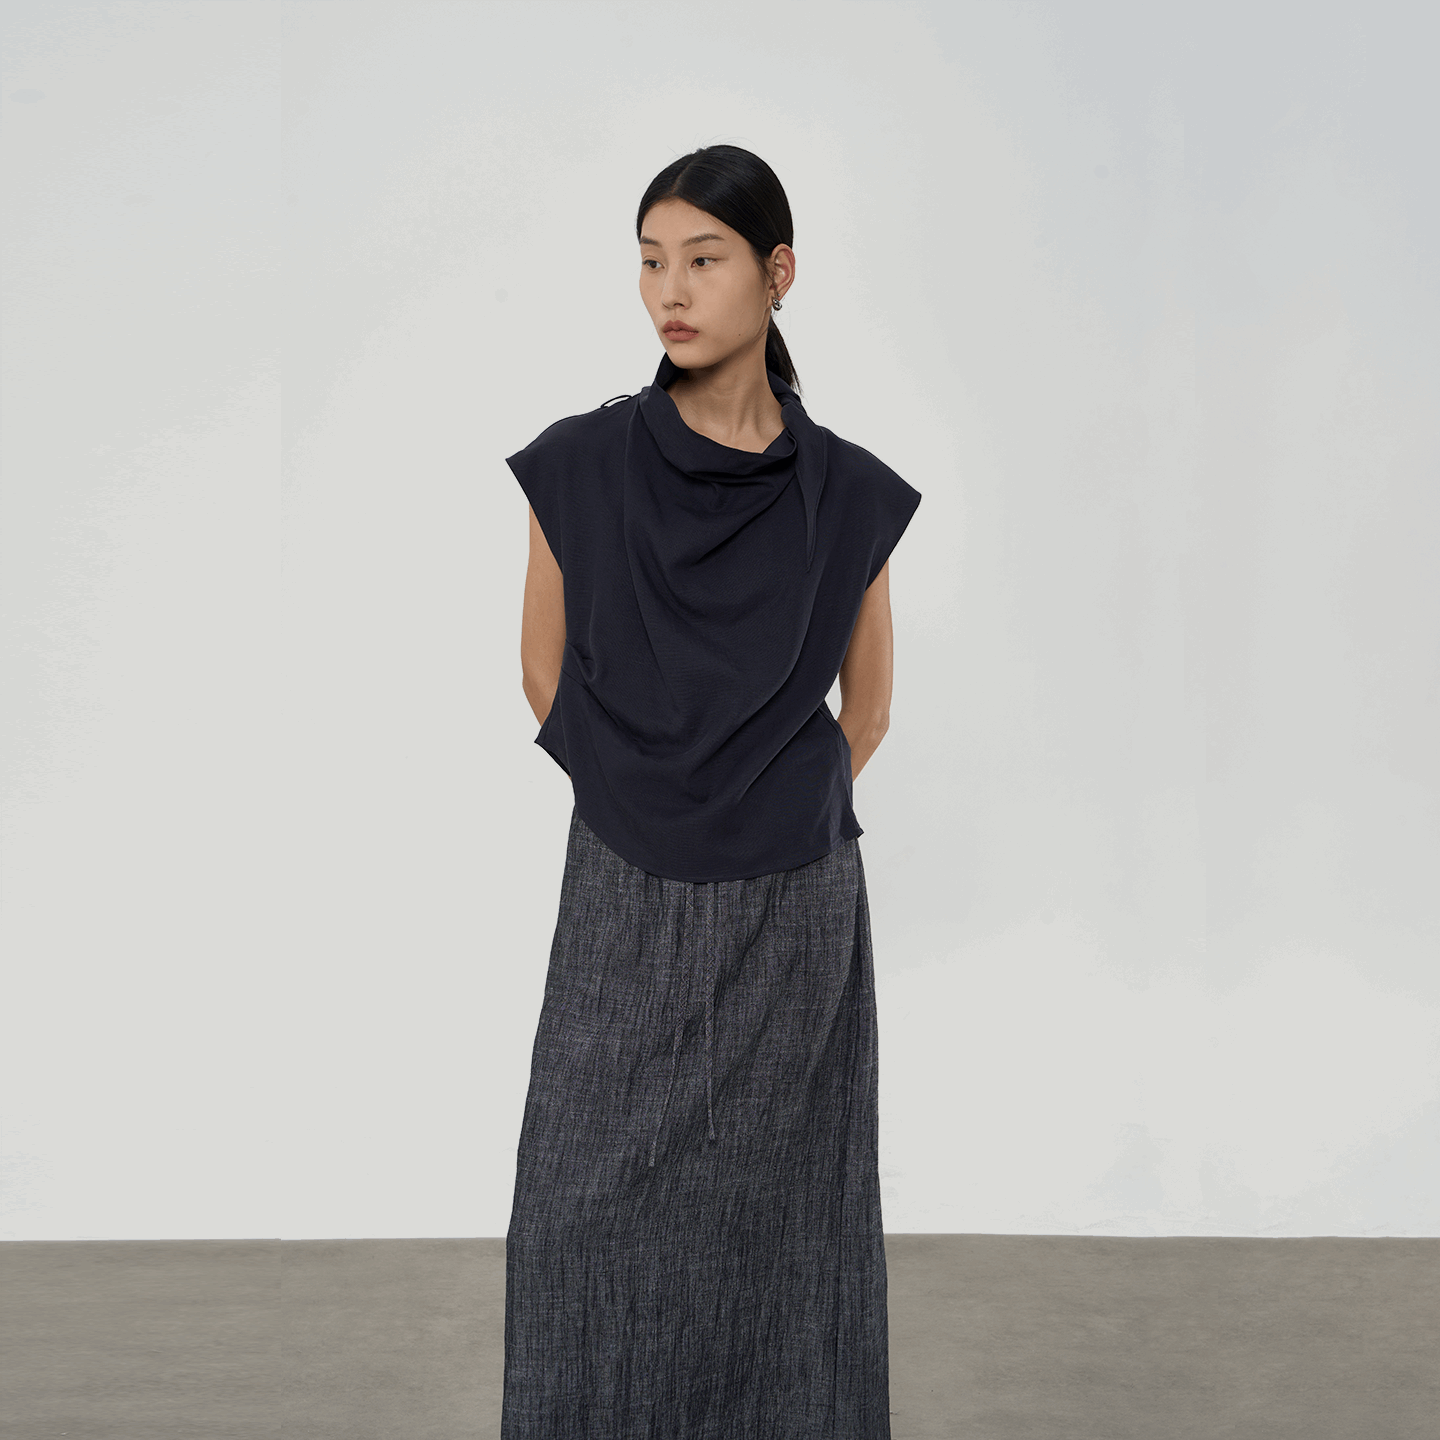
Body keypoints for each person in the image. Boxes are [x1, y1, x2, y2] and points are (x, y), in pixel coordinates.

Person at [500, 144, 921, 1439]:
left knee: (785, 1227)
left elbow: (868, 709)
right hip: (621, 878)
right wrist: (651, 797)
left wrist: (767, 809)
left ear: (778, 273)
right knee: (577, 1212)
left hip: (794, 911)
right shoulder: (579, 463)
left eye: (703, 258)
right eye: (649, 262)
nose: (669, 291)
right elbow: (541, 672)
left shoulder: (849, 492)